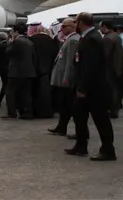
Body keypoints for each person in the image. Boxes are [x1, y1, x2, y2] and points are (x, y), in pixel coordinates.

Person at [65, 12, 116, 161]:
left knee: (101, 119)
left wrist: (82, 89)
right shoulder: (87, 37)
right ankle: (81, 145)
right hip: (86, 86)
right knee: (79, 116)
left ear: (81, 22)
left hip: (94, 89)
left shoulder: (92, 38)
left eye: (75, 22)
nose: (75, 25)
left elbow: (90, 67)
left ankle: (108, 150)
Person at [48, 18, 79, 136]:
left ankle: (76, 131)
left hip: (66, 79)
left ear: (72, 26)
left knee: (69, 105)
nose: (62, 29)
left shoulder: (73, 40)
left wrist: (66, 77)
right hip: (62, 77)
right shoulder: (69, 39)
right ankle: (61, 127)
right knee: (65, 105)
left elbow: (70, 62)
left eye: (64, 26)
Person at [2, 24, 36, 120]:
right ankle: (28, 112)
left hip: (16, 71)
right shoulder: (30, 42)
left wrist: (10, 42)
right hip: (28, 71)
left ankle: (11, 112)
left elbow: (8, 52)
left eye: (13, 31)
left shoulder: (16, 42)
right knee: (26, 93)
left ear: (16, 32)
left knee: (10, 92)